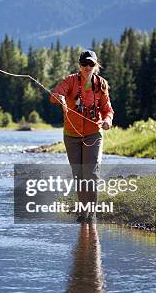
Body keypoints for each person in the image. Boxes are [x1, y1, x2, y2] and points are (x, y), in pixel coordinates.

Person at [49, 50, 114, 224]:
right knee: (79, 175)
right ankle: (84, 210)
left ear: (96, 66)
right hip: (71, 135)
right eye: (84, 64)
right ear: (80, 65)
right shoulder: (69, 81)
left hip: (93, 133)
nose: (87, 67)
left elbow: (107, 110)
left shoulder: (101, 85)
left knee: (90, 173)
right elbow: (55, 95)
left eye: (91, 64)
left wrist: (107, 120)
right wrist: (60, 98)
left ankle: (91, 214)